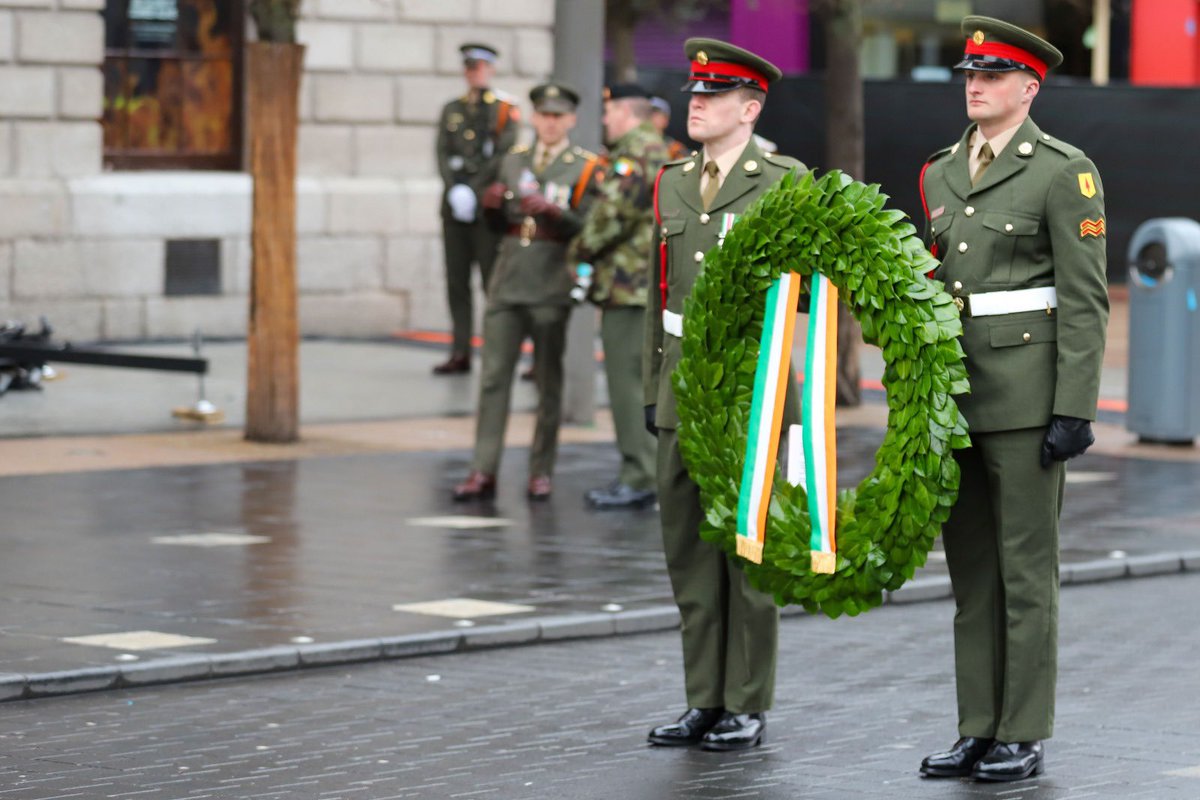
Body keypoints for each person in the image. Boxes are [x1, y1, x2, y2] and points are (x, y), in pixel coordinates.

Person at [917, 16, 1108, 783]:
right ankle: (978, 725)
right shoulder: (939, 171)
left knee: (1026, 572)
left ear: (1028, 88)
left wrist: (1076, 407)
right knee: (971, 575)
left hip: (1027, 398)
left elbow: (1084, 299)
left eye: (992, 76)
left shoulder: (1063, 171)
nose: (975, 84)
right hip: (955, 396)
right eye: (970, 73)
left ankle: (1021, 731)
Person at [642, 38, 806, 751]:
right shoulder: (672, 182)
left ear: (751, 107)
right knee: (688, 550)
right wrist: (654, 386)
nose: (697, 105)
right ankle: (702, 697)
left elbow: (809, 289)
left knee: (748, 553)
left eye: (712, 97)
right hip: (683, 383)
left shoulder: (785, 180)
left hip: (750, 385)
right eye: (693, 95)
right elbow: (658, 293)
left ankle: (746, 699)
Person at [453, 83, 601, 502]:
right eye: (543, 115)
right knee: (494, 378)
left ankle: (541, 471)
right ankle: (483, 469)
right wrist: (492, 207)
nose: (550, 123)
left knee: (548, 382)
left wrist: (559, 214)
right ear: (534, 118)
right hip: (509, 276)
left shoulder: (585, 166)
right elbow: (497, 226)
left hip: (551, 279)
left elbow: (591, 227)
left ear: (570, 120)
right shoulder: (513, 160)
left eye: (558, 116)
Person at [569, 84, 668, 510]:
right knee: (641, 383)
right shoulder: (660, 149)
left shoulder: (635, 153)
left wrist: (578, 250)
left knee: (627, 385)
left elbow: (611, 216)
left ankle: (639, 475)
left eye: (609, 112)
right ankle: (645, 470)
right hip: (645, 286)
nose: (605, 120)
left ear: (627, 113)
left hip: (629, 287)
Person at [433, 43, 521, 375]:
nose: (476, 72)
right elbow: (442, 152)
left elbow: (505, 155)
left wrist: (473, 189)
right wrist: (454, 187)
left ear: (491, 69)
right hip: (455, 207)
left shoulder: (504, 109)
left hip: (486, 208)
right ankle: (460, 350)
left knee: (490, 280)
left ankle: (496, 351)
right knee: (456, 281)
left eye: (481, 66)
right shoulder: (452, 109)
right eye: (471, 66)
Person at [649, 96, 690, 161]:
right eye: (647, 113)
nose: (651, 117)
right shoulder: (632, 144)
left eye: (656, 114)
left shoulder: (674, 148)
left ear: (666, 120)